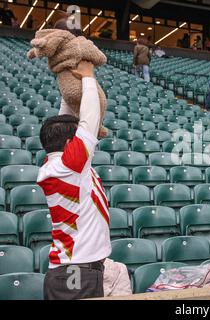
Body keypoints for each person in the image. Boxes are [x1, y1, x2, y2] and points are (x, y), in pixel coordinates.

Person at [37, 61, 111, 300]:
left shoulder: (57, 165)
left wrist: (68, 85)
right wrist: (88, 78)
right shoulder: (70, 166)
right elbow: (89, 120)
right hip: (75, 273)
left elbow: (64, 122)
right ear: (70, 145)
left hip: (73, 269)